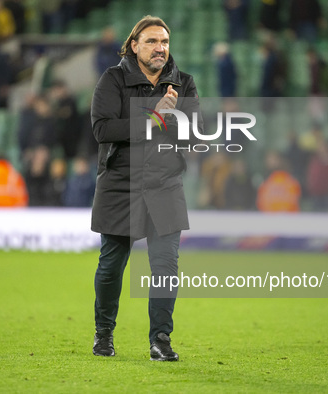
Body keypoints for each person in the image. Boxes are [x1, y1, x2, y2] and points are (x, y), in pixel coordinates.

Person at [90, 16, 200, 362]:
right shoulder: (112, 79)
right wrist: (155, 118)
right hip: (121, 183)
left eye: (165, 42)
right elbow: (103, 130)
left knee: (166, 267)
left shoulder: (184, 84)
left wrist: (172, 119)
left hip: (165, 185)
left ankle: (160, 340)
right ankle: (104, 334)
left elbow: (194, 136)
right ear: (134, 45)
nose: (160, 48)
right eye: (152, 41)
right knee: (111, 267)